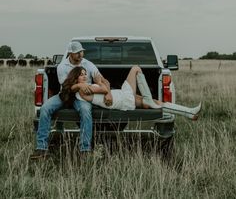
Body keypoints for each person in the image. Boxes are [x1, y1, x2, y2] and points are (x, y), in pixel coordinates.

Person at [30, 41, 111, 160]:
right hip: (66, 95)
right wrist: (79, 86)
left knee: (85, 111)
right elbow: (67, 87)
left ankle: (85, 150)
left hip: (83, 96)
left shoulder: (88, 64)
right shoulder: (62, 67)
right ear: (70, 53)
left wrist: (108, 93)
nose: (80, 54)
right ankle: (41, 149)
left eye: (81, 51)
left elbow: (102, 80)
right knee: (45, 108)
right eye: (77, 52)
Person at [60, 65, 202, 120]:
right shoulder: (84, 89)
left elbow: (107, 84)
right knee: (135, 69)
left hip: (120, 95)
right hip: (120, 100)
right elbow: (104, 88)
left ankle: (188, 113)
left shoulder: (83, 86)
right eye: (82, 74)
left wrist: (102, 82)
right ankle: (188, 112)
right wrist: (100, 82)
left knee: (137, 70)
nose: (85, 76)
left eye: (85, 73)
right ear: (75, 77)